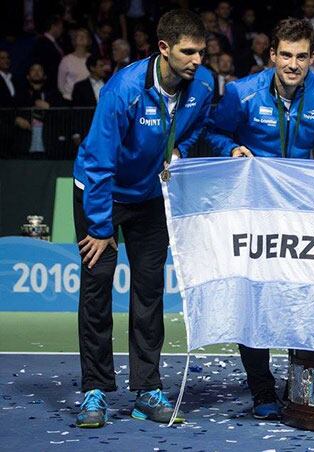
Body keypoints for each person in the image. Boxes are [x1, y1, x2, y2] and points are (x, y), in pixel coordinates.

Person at [207, 18, 314, 420]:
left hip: (301, 214)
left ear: (313, 57)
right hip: (252, 212)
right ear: (272, 55)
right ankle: (261, 388)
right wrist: (232, 149)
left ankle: (297, 377)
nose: (293, 64)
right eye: (285, 55)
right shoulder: (241, 93)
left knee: (299, 297)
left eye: (301, 56)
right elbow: (214, 134)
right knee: (252, 298)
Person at [71, 9, 214, 428]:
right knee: (97, 289)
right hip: (103, 193)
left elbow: (194, 129)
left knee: (149, 290)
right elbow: (98, 161)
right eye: (188, 52)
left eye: (202, 52)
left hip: (150, 196)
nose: (197, 60)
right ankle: (94, 391)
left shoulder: (200, 87)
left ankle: (146, 389)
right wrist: (99, 227)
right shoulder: (124, 89)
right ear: (164, 49)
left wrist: (179, 151)